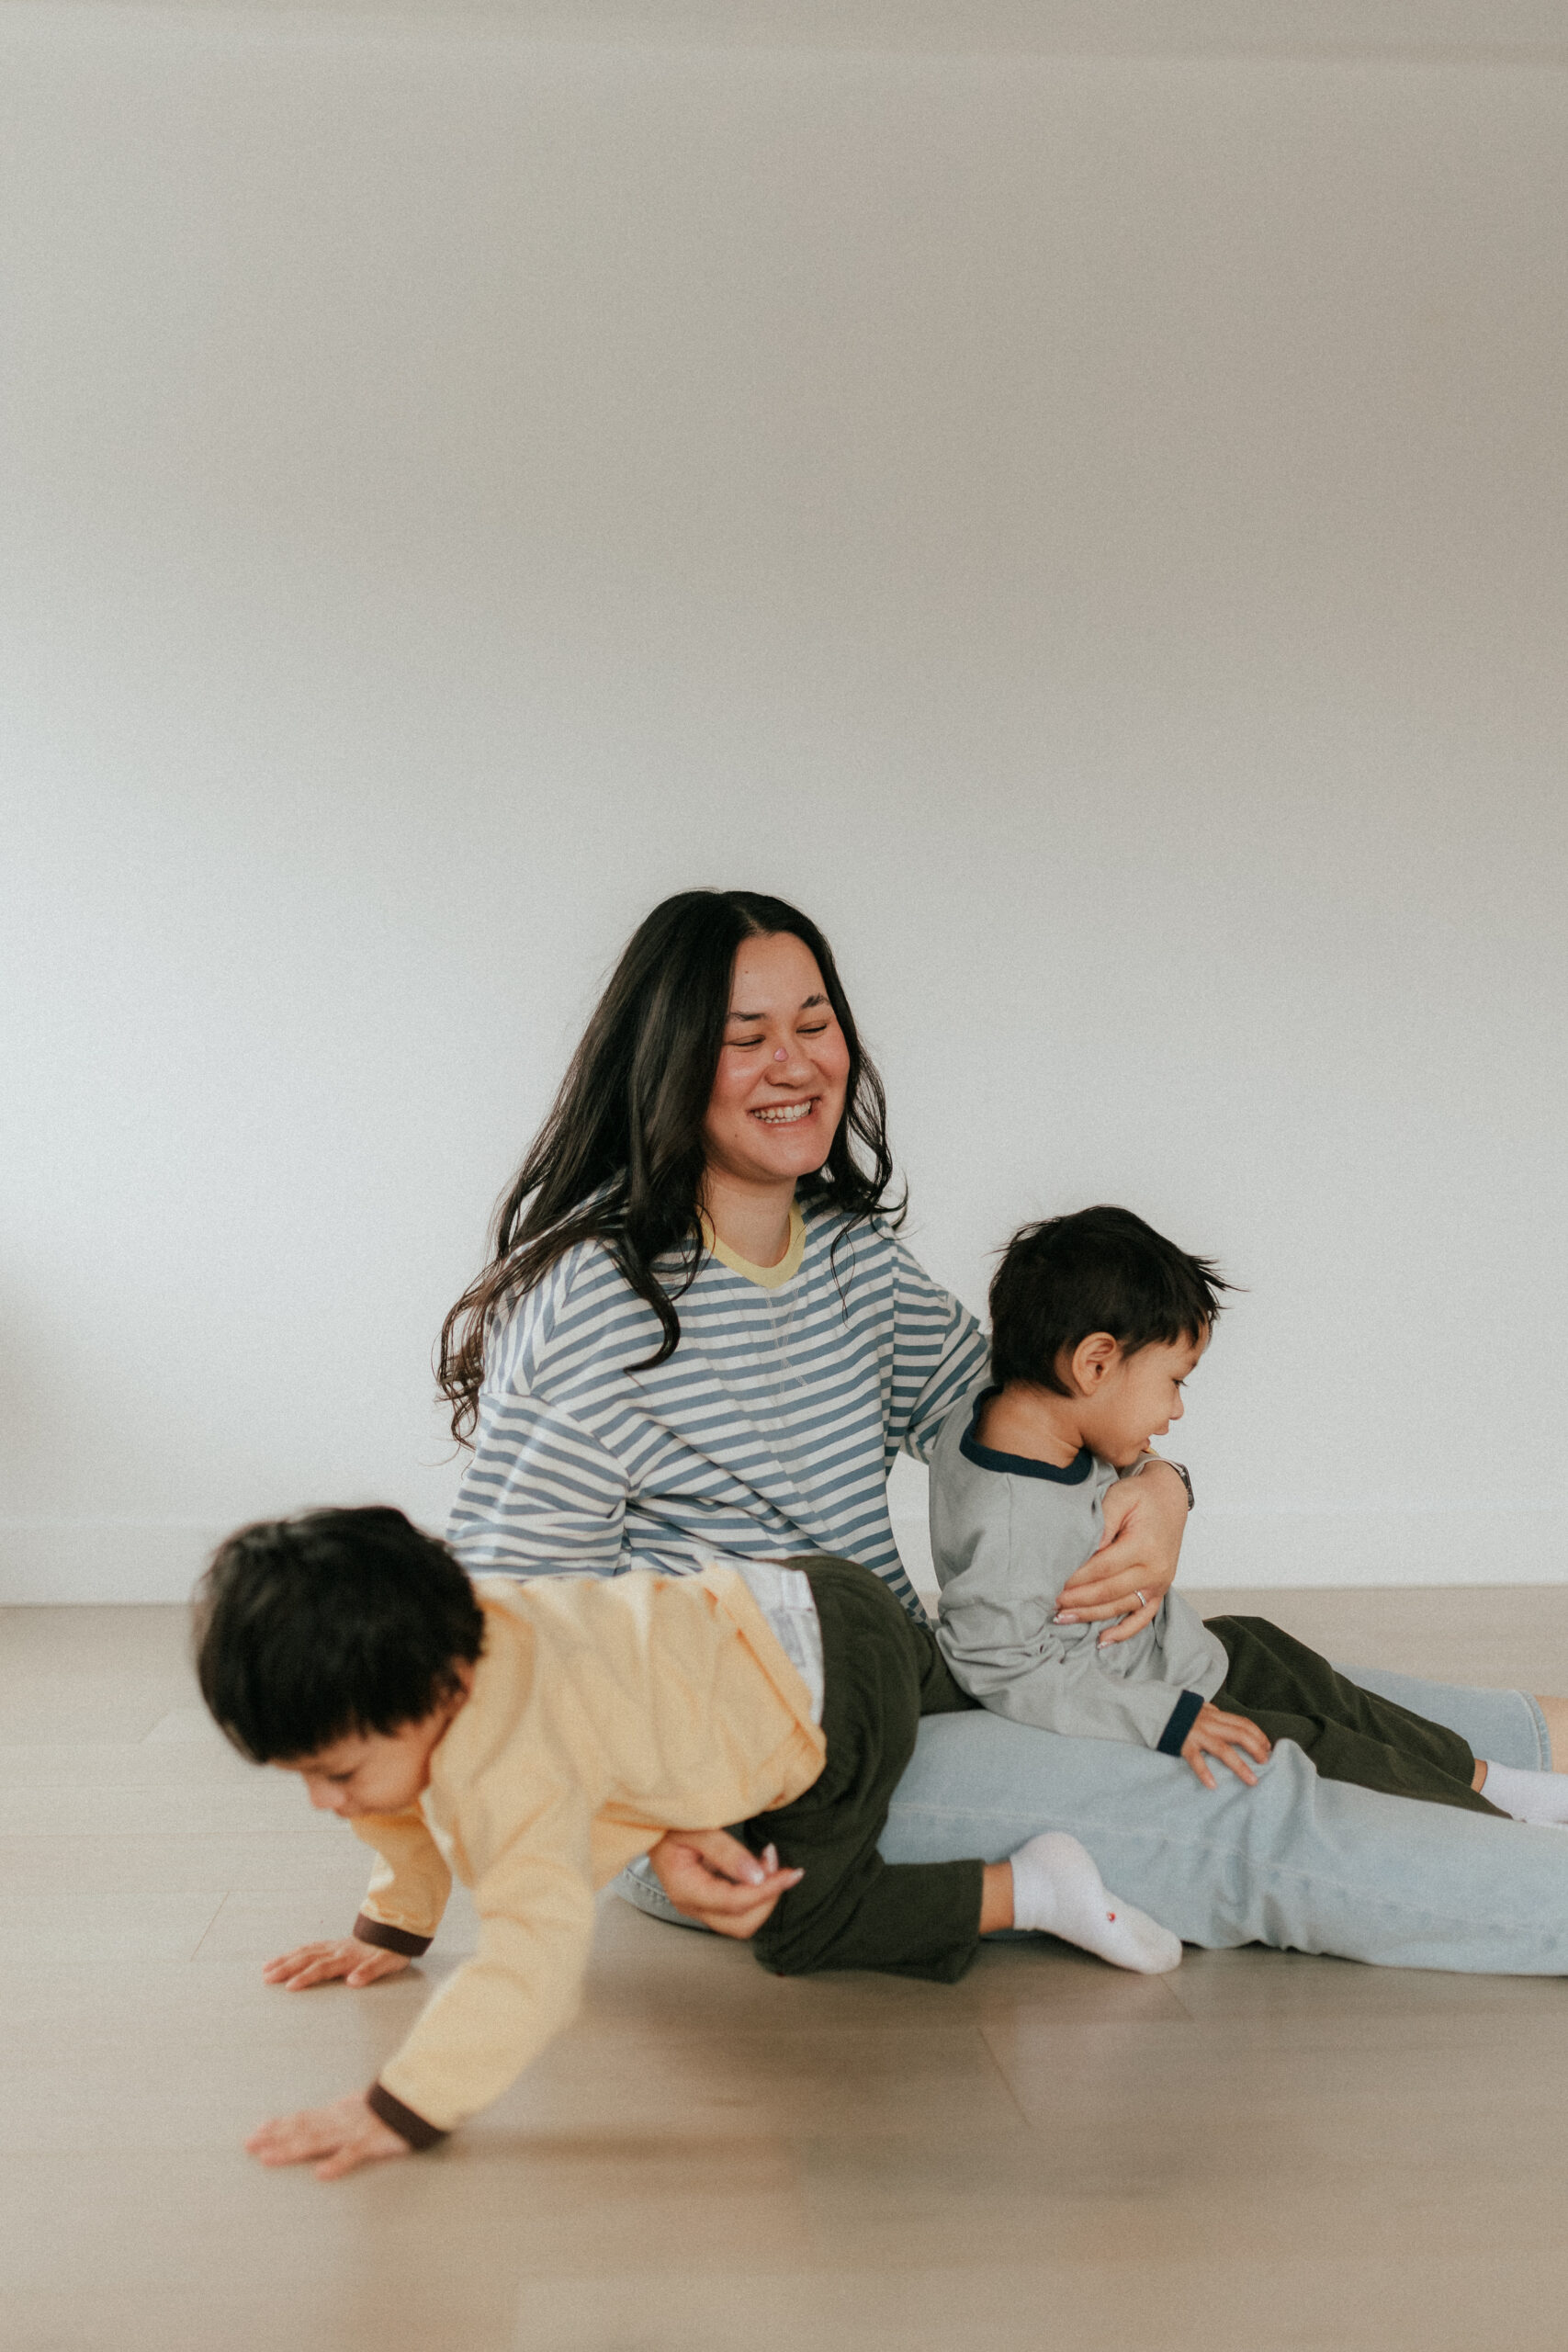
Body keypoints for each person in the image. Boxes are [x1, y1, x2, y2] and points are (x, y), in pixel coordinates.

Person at [440, 888, 1568, 1974]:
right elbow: (515, 1616)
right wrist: (652, 1826)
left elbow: (1031, 1410)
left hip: (908, 1681)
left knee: (1294, 1685)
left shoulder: (851, 1262)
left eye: (815, 1023)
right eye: (747, 1037)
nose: (795, 1063)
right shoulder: (597, 1302)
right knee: (1236, 1786)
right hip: (751, 1774)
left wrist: (1164, 1484)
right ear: (671, 1062)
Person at [195, 1507, 1181, 2178]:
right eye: (307, 1776)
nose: (330, 1803)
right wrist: (391, 1929)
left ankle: (1036, 1885)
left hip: (833, 1687)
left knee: (802, 1924)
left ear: (441, 1692)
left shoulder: (506, 1767)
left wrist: (401, 2104)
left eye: (337, 1773)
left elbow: (526, 1964)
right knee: (972, 1699)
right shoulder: (461, 1629)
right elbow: (396, 1809)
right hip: (801, 1595)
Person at [932, 1205, 1568, 1827]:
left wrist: (1159, 1477)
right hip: (1142, 1696)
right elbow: (999, 1662)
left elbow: (1107, 1437)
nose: (1175, 1410)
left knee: (1277, 1655)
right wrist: (1166, 1720)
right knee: (1316, 1749)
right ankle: (1495, 1821)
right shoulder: (1014, 1522)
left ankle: (1486, 1779)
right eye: (1175, 1381)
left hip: (1172, 1657)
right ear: (1094, 1363)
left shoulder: (1011, 1408)